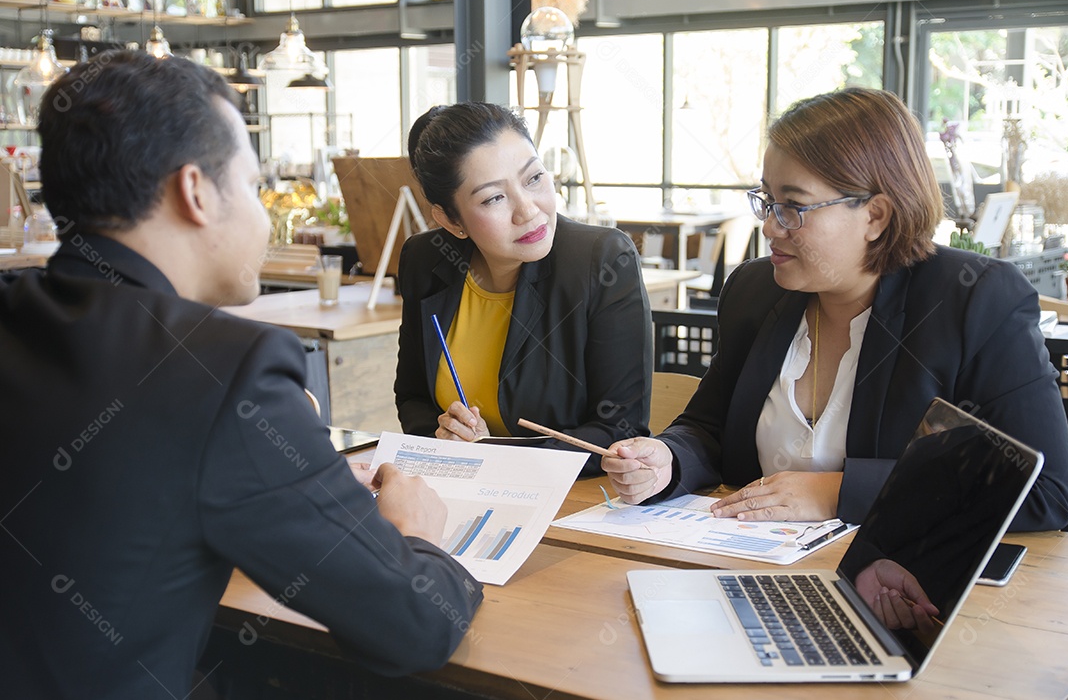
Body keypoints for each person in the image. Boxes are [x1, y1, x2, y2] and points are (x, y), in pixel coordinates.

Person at [0, 51, 481, 699]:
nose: (262, 215)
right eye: (253, 187)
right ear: (195, 191)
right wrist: (419, 531)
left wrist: (288, 477)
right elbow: (419, 623)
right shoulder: (224, 367)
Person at [603, 87, 1068, 532]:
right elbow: (710, 428)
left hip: (894, 592)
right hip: (749, 561)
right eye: (767, 200)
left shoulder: (975, 300)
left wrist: (840, 492)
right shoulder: (755, 290)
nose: (770, 226)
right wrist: (668, 459)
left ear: (876, 216)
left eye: (793, 206)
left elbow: (1046, 490)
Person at [396, 102, 652, 475]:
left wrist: (495, 452)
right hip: (460, 488)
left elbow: (618, 431)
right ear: (450, 220)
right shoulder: (425, 258)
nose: (528, 210)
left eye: (533, 178)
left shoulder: (602, 259)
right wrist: (444, 437)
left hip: (569, 499)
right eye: (494, 198)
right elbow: (414, 398)